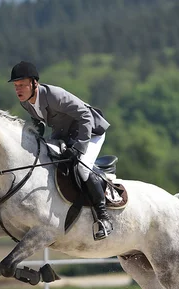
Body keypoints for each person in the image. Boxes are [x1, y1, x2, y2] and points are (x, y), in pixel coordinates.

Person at [8, 61, 113, 240]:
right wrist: (37, 127)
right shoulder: (26, 102)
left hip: (90, 132)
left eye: (22, 85)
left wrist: (80, 147)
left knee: (82, 167)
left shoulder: (54, 95)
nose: (18, 89)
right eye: (16, 86)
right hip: (65, 135)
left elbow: (85, 116)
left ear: (34, 83)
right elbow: (40, 119)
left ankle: (103, 217)